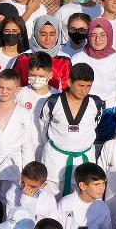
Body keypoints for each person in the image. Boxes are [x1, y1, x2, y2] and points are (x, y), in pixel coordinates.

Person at [38, 64, 103, 193]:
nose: (84, 90)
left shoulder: (95, 103)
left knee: (82, 199)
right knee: (50, 198)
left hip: (84, 159)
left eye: (88, 86)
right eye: (81, 85)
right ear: (69, 82)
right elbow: (43, 127)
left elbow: (94, 126)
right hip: (55, 159)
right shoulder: (53, 102)